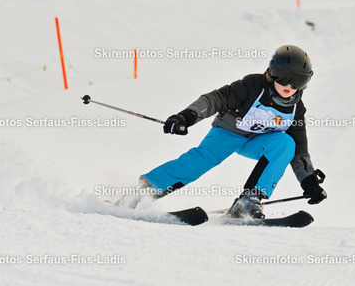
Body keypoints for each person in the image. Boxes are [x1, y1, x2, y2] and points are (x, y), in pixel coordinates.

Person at [139, 44, 327, 218]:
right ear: (272, 72)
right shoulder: (253, 85)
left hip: (258, 142)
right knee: (203, 160)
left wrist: (309, 181)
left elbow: (300, 151)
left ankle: (249, 201)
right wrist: (187, 116)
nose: (289, 86)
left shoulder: (296, 109)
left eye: (298, 81)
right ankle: (146, 190)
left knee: (286, 144)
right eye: (283, 76)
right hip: (228, 133)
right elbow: (216, 99)